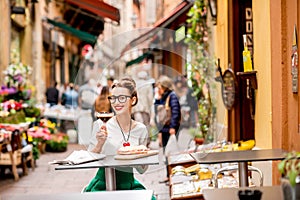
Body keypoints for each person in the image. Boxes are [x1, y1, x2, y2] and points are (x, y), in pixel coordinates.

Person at [85, 77, 155, 199]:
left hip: (129, 185)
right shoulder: (100, 125)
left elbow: (142, 170)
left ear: (133, 100)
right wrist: (99, 144)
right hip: (102, 184)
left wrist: (140, 153)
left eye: (122, 98)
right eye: (113, 98)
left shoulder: (141, 129)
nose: (116, 102)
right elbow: (88, 159)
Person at [154, 75, 181, 184]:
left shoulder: (172, 96)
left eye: (160, 87)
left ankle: (172, 174)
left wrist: (173, 127)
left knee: (171, 153)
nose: (158, 89)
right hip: (164, 129)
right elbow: (158, 113)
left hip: (170, 129)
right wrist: (157, 99)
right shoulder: (162, 97)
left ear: (165, 87)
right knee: (166, 152)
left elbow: (175, 112)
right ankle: (168, 175)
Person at [132, 71, 154, 147]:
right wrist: (150, 106)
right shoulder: (148, 85)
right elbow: (150, 97)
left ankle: (138, 141)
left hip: (136, 107)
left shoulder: (135, 85)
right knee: (146, 124)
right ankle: (146, 141)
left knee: (138, 124)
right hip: (145, 107)